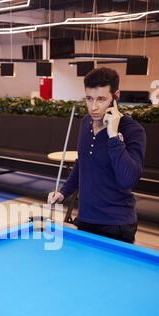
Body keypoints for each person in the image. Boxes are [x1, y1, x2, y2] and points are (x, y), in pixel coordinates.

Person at [48, 67, 146, 244]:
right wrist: (63, 192)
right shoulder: (86, 123)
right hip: (85, 219)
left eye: (101, 99)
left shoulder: (133, 131)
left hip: (117, 225)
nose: (93, 107)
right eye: (89, 98)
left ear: (116, 96)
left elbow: (128, 179)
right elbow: (82, 164)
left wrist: (113, 135)